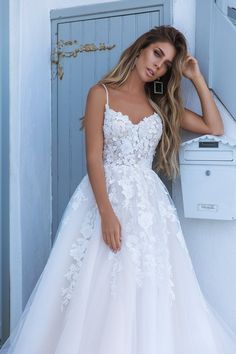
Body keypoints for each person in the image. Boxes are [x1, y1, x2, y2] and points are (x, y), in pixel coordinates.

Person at [1, 25, 236, 354]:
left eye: (168, 63)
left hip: (149, 207)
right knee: (98, 287)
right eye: (157, 54)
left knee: (143, 287)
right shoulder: (101, 93)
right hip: (104, 201)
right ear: (141, 48)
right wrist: (107, 214)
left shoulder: (160, 104)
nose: (159, 65)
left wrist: (194, 76)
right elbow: (93, 159)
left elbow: (215, 126)